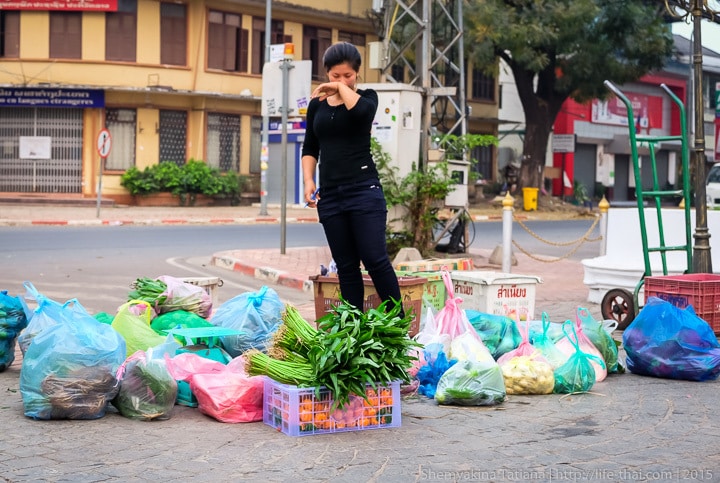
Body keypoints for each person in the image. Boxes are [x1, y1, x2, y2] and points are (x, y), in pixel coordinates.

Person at [301, 42, 404, 317]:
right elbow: (310, 147)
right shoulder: (317, 107)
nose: (341, 80)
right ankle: (354, 331)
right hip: (331, 197)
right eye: (335, 76)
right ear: (326, 73)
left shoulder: (367, 98)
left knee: (375, 259)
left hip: (364, 191)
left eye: (348, 75)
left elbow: (360, 114)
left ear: (357, 74)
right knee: (346, 266)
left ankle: (398, 324)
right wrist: (308, 181)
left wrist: (340, 89)